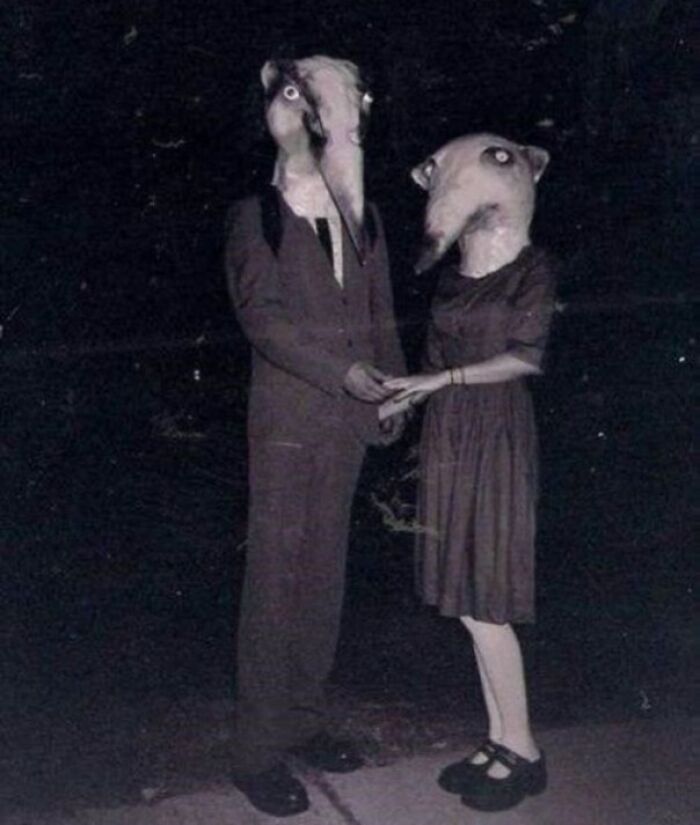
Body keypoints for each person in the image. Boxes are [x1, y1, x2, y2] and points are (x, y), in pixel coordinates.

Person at [225, 55, 405, 818]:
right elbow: (264, 320)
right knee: (274, 584)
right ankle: (257, 752)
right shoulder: (256, 213)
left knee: (323, 580)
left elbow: (382, 308)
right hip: (289, 427)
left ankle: (303, 720)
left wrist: (393, 389)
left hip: (346, 426)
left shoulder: (361, 209)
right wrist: (344, 374)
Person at [384, 133, 557, 813]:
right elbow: (432, 359)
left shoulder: (533, 268)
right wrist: (405, 394)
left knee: (489, 605)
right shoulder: (457, 274)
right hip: (452, 433)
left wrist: (442, 380)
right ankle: (497, 738)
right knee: (465, 601)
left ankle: (525, 749)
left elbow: (526, 358)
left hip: (498, 431)